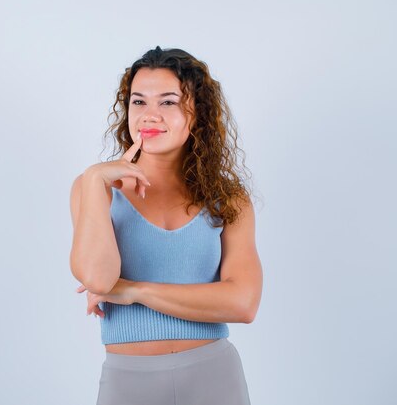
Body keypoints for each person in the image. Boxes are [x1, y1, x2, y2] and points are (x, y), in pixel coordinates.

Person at [69, 46, 263, 405]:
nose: (149, 115)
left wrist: (134, 291)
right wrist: (96, 179)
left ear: (197, 113)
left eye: (168, 102)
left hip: (214, 375)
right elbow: (97, 279)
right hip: (128, 382)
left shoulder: (228, 198)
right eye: (139, 102)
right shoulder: (94, 189)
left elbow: (243, 303)